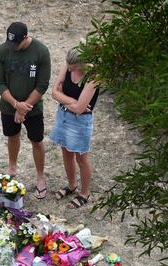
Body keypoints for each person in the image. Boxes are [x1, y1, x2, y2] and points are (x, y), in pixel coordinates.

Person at [0, 21, 51, 199]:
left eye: (16, 44)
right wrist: (16, 105)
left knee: (36, 141)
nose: (13, 48)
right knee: (12, 136)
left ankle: (40, 177)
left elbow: (42, 85)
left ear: (26, 38)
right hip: (9, 107)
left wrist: (24, 107)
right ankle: (12, 166)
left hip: (33, 109)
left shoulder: (41, 52)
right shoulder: (3, 50)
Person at [50, 46, 99, 208]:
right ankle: (71, 185)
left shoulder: (93, 77)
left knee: (81, 158)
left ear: (83, 63)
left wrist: (63, 99)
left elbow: (79, 110)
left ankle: (85, 193)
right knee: (66, 152)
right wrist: (72, 102)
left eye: (73, 67)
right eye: (68, 65)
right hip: (63, 116)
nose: (69, 68)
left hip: (80, 123)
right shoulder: (68, 63)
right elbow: (54, 93)